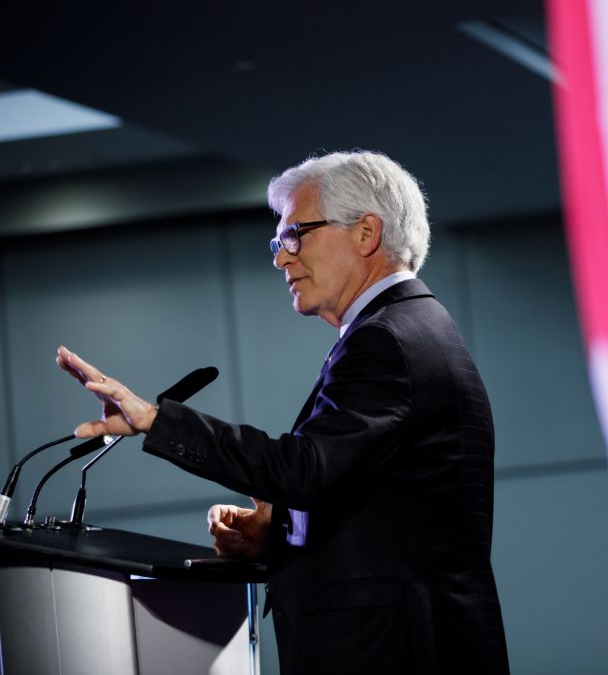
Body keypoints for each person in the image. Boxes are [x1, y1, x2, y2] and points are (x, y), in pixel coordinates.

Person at [56, 150, 509, 674]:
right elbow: (380, 503)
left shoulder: (387, 340)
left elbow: (305, 470)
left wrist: (157, 420)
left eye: (296, 235)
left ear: (366, 234)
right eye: (279, 241)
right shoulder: (414, 327)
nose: (281, 258)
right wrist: (279, 533)